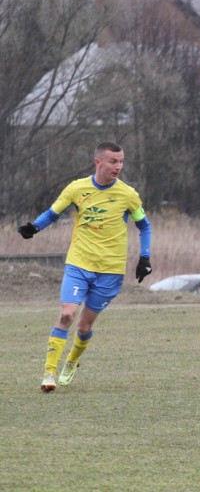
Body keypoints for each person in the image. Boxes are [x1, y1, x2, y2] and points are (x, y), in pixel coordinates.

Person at [19, 142, 152, 392]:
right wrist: (34, 227)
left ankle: (71, 361)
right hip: (79, 264)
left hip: (110, 271)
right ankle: (49, 374)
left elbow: (144, 226)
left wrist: (145, 258)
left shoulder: (127, 194)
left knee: (83, 327)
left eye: (121, 161)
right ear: (98, 162)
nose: (118, 166)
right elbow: (52, 213)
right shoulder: (77, 188)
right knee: (67, 314)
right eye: (113, 161)